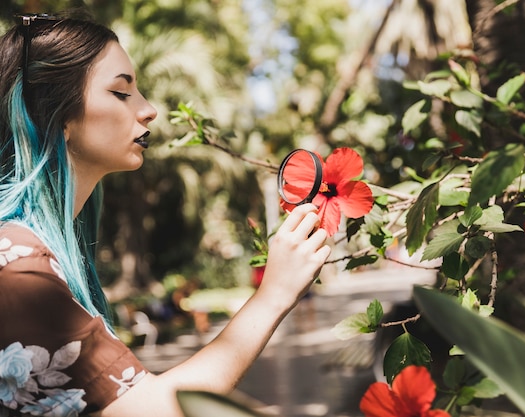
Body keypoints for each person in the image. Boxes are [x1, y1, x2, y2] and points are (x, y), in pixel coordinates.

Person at [0, 12, 330, 416]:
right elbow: (151, 409)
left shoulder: (33, 252)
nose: (149, 109)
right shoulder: (16, 267)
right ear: (57, 114)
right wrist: (274, 295)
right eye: (121, 93)